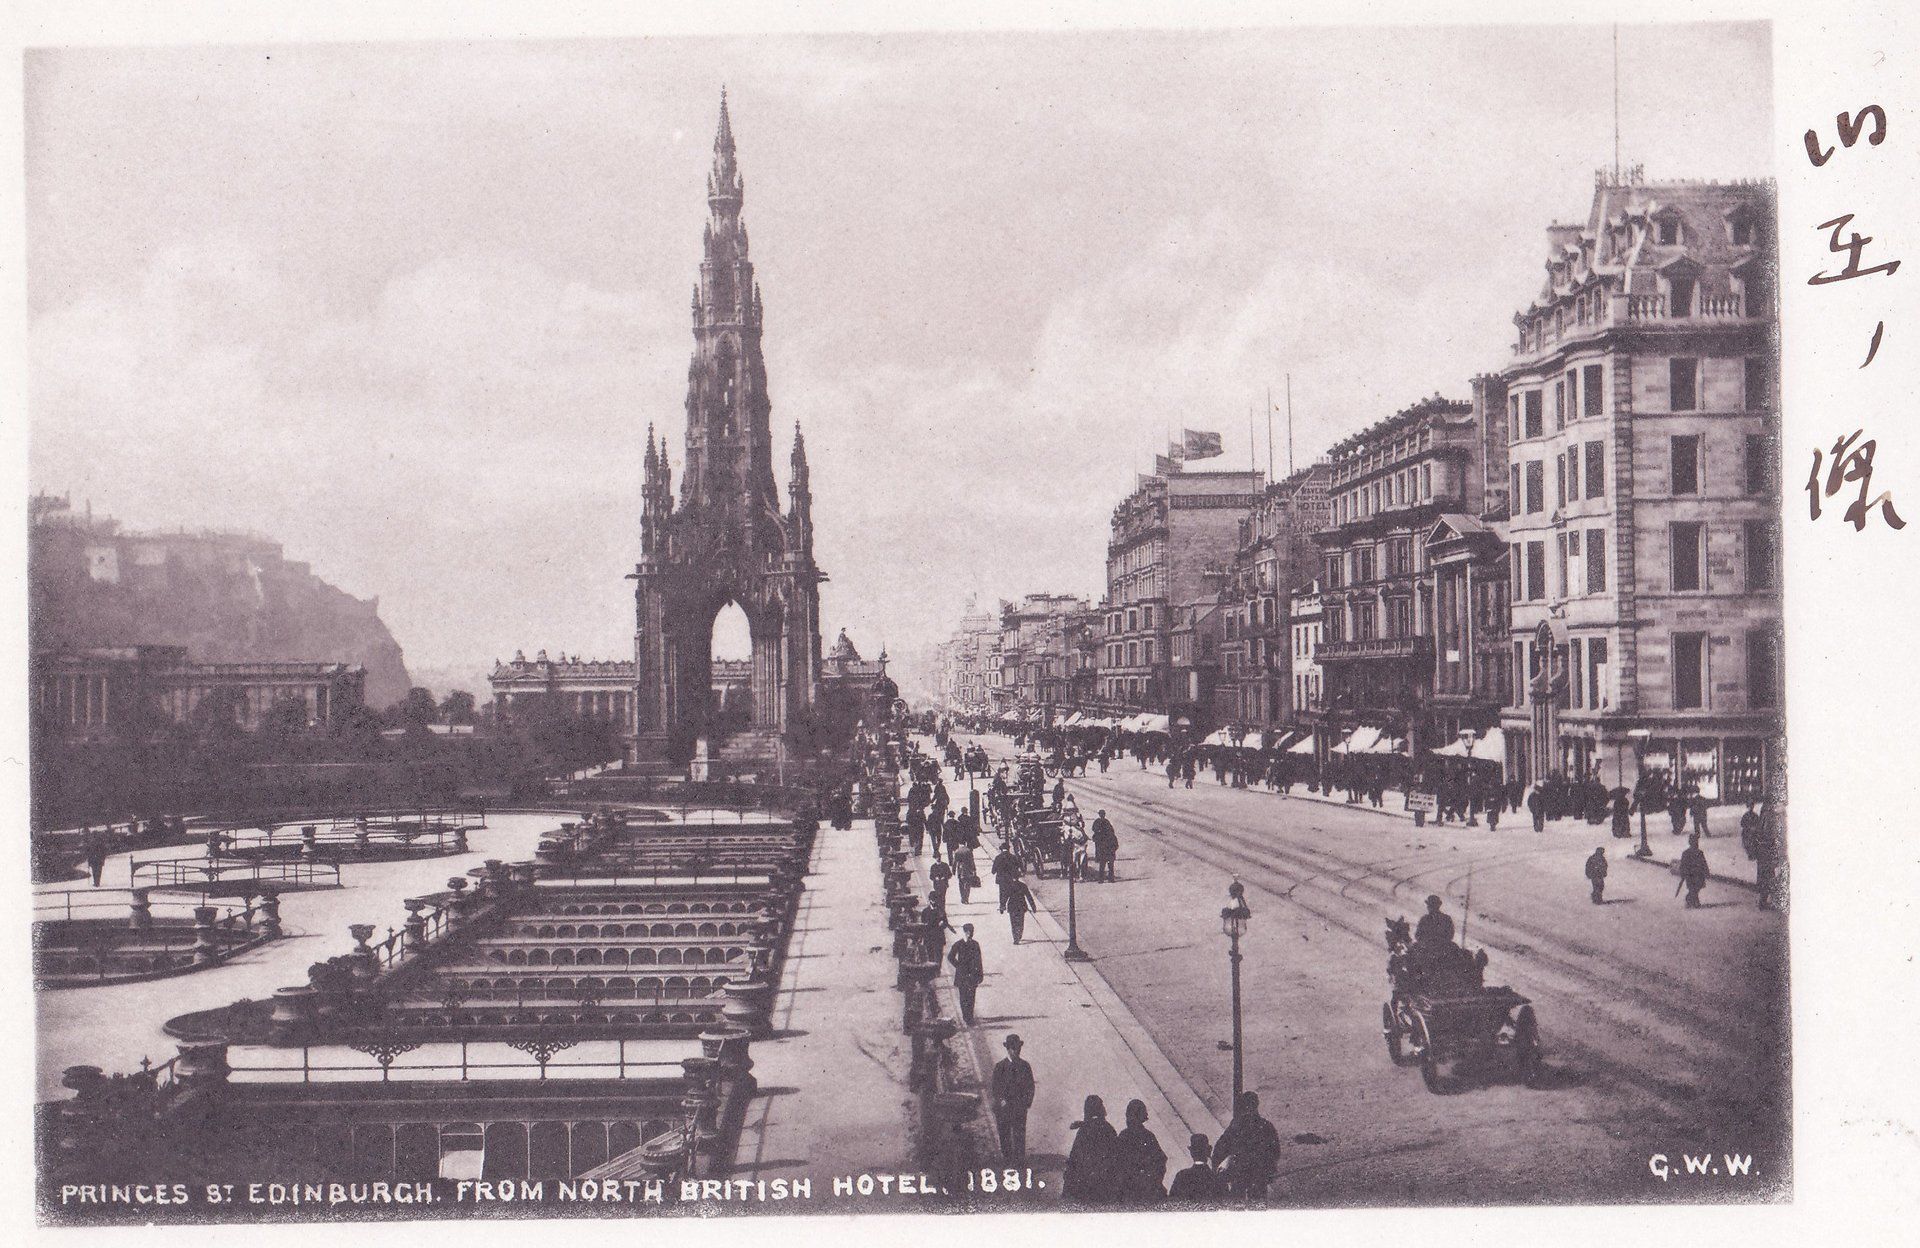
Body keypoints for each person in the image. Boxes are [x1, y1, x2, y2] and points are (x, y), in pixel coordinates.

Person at [1212, 1090, 1280, 1200]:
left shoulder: (1236, 1125)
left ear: (1243, 1106)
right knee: (1257, 1204)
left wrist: (1218, 1167)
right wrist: (1269, 1170)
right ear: (1257, 1105)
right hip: (1259, 1176)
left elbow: (1220, 1147)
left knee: (1238, 1203)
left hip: (1239, 1175)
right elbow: (1275, 1151)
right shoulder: (1266, 1126)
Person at [1063, 1095, 1120, 1203]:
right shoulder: (1108, 1129)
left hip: (1084, 1186)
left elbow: (1074, 1159)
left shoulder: (1084, 1130)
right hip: (1104, 1186)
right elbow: (1116, 1157)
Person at [990, 1034, 1035, 1161]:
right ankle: (1007, 1159)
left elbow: (1030, 1086)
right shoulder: (1000, 1067)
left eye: (1018, 1048)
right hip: (1004, 1107)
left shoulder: (1025, 1066)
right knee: (1004, 1133)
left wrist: (1026, 1102)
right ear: (1008, 1049)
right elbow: (995, 1087)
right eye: (1013, 1048)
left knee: (1019, 1134)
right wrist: (1001, 1100)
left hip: (1019, 1106)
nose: (1016, 1051)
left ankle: (1019, 1160)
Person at [1114, 1099, 1168, 1203]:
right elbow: (1161, 1160)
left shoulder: (1124, 1136)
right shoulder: (1148, 1136)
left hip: (1129, 1191)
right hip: (1147, 1190)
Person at [948, 923, 984, 1024]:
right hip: (962, 975)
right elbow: (950, 957)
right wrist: (958, 966)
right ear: (965, 932)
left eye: (972, 931)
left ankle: (970, 1017)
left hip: (972, 974)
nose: (970, 934)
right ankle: (966, 1016)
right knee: (963, 997)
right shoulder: (958, 944)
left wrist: (980, 975)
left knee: (971, 997)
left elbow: (979, 960)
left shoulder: (975, 944)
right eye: (968, 932)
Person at [1168, 1133, 1221, 1202]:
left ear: (1191, 1152)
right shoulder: (1217, 1178)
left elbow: (1172, 1202)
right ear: (1209, 1150)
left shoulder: (1181, 1176)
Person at [1678, 834, 1710, 909]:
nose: (1696, 844)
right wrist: (1683, 873)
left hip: (1699, 874)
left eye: (1696, 842)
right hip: (1690, 875)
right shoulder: (1686, 853)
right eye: (1694, 842)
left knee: (1697, 888)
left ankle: (1690, 899)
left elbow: (1703, 862)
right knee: (1693, 889)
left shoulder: (1700, 852)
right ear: (1690, 843)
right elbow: (1683, 865)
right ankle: (1694, 901)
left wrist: (1706, 871)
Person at [1004, 875, 1037, 944]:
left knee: (1013, 923)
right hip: (1021, 906)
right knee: (1020, 922)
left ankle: (1015, 938)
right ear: (1018, 877)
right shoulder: (1023, 885)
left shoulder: (1009, 885)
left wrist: (1002, 906)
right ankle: (1019, 935)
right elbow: (1029, 896)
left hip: (1012, 906)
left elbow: (1005, 897)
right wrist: (1033, 907)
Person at [991, 842, 1021, 913]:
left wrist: (995, 871)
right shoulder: (1013, 857)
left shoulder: (998, 857)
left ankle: (1002, 905)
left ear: (1001, 849)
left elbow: (993, 871)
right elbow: (1018, 867)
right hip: (1011, 878)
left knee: (1002, 892)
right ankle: (1011, 906)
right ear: (1009, 849)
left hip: (1001, 879)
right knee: (1011, 892)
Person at [1091, 810, 1119, 883]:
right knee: (1110, 866)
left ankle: (1101, 879)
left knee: (1102, 865)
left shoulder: (1098, 823)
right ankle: (1111, 879)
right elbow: (1116, 845)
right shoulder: (1107, 824)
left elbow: (1094, 832)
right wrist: (1113, 850)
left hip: (1103, 851)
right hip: (1109, 851)